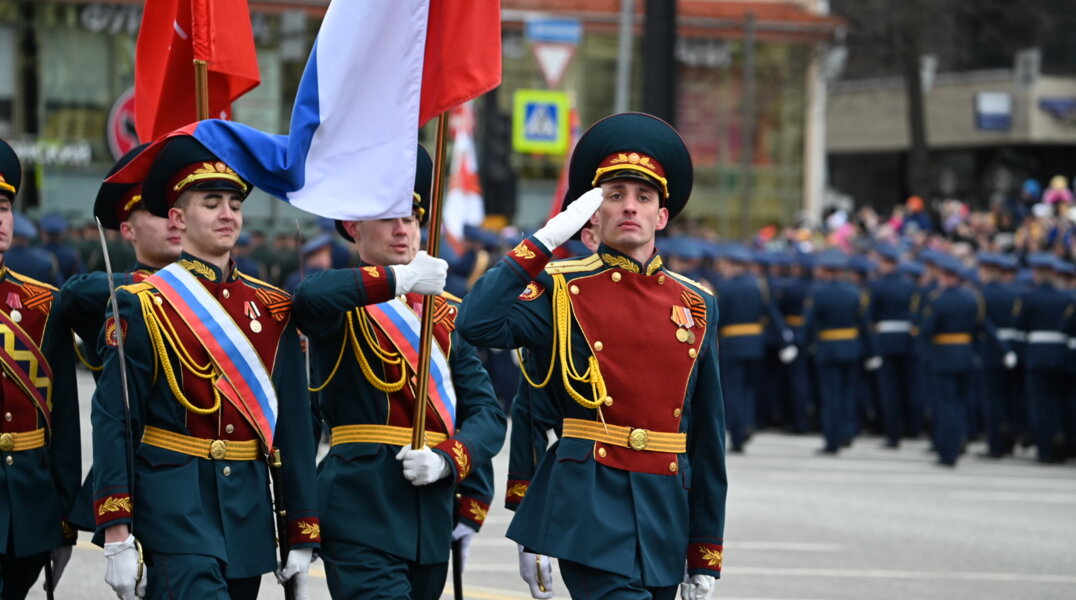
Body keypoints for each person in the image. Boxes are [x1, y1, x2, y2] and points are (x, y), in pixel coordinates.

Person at [458, 112, 728, 600]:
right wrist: (543, 242)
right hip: (589, 506)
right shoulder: (562, 290)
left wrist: (704, 550)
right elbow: (477, 324)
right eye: (614, 196)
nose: (630, 207)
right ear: (593, 215)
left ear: (661, 217)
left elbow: (707, 435)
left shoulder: (696, 303)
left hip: (665, 513)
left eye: (643, 197)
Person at [91, 135, 319, 599]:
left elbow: (294, 427)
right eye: (211, 203)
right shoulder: (142, 304)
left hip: (248, 515)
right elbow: (115, 419)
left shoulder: (273, 308)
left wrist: (302, 529)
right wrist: (116, 528)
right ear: (177, 219)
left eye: (235, 204)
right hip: (174, 509)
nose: (227, 214)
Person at [291, 144, 505, 600]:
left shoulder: (445, 314)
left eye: (410, 218)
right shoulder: (342, 305)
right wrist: (398, 280)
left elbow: (487, 415)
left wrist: (449, 460)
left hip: (430, 517)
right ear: (353, 227)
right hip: (360, 512)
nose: (403, 229)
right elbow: (309, 298)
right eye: (388, 217)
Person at [58, 143, 183, 535]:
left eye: (180, 209)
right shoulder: (118, 295)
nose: (175, 221)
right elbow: (74, 295)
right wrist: (155, 286)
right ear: (127, 230)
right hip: (148, 471)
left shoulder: (227, 295)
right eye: (160, 212)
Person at [0, 138, 79, 599]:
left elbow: (65, 421)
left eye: (4, 207)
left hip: (25, 508)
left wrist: (64, 522)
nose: (0, 219)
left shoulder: (45, 306)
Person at [804, 249, 878, 454]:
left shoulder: (819, 293)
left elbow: (809, 323)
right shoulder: (855, 292)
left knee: (831, 396)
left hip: (828, 349)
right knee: (848, 393)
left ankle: (832, 441)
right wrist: (872, 351)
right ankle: (847, 433)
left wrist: (806, 345)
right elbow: (864, 324)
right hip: (851, 348)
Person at [867, 244, 917, 447]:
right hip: (907, 340)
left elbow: (870, 315)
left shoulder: (877, 286)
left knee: (890, 390)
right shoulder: (910, 285)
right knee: (908, 387)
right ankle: (912, 427)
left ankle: (893, 434)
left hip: (886, 339)